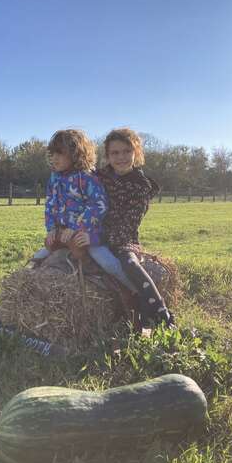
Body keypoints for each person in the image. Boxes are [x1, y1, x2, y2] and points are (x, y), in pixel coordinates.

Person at [88, 128, 175, 329]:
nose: (121, 157)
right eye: (115, 153)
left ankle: (161, 313)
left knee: (130, 264)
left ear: (136, 152)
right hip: (94, 234)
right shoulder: (98, 177)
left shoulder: (141, 187)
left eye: (126, 151)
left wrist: (106, 240)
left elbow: (130, 223)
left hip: (123, 238)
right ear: (107, 156)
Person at [33, 129, 109, 261]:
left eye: (60, 153)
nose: (54, 157)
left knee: (107, 263)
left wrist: (77, 228)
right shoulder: (54, 178)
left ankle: (131, 281)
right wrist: (51, 229)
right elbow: (50, 205)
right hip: (61, 233)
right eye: (53, 153)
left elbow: (99, 205)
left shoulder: (87, 178)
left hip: (86, 234)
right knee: (36, 259)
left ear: (76, 154)